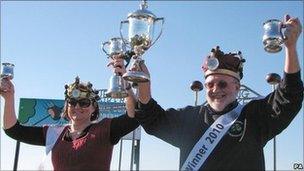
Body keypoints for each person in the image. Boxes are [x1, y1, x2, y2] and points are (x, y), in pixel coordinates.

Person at [130, 14, 303, 170]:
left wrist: (290, 48)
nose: (215, 90)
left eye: (222, 84)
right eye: (210, 84)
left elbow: (289, 96)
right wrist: (144, 82)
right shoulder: (190, 118)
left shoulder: (255, 116)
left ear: (237, 87)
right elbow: (153, 120)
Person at [1, 74, 139, 170]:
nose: (77, 107)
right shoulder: (53, 133)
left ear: (93, 108)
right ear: (66, 106)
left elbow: (134, 117)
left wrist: (125, 85)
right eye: (72, 102)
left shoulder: (104, 129)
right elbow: (14, 130)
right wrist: (9, 97)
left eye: (84, 102)